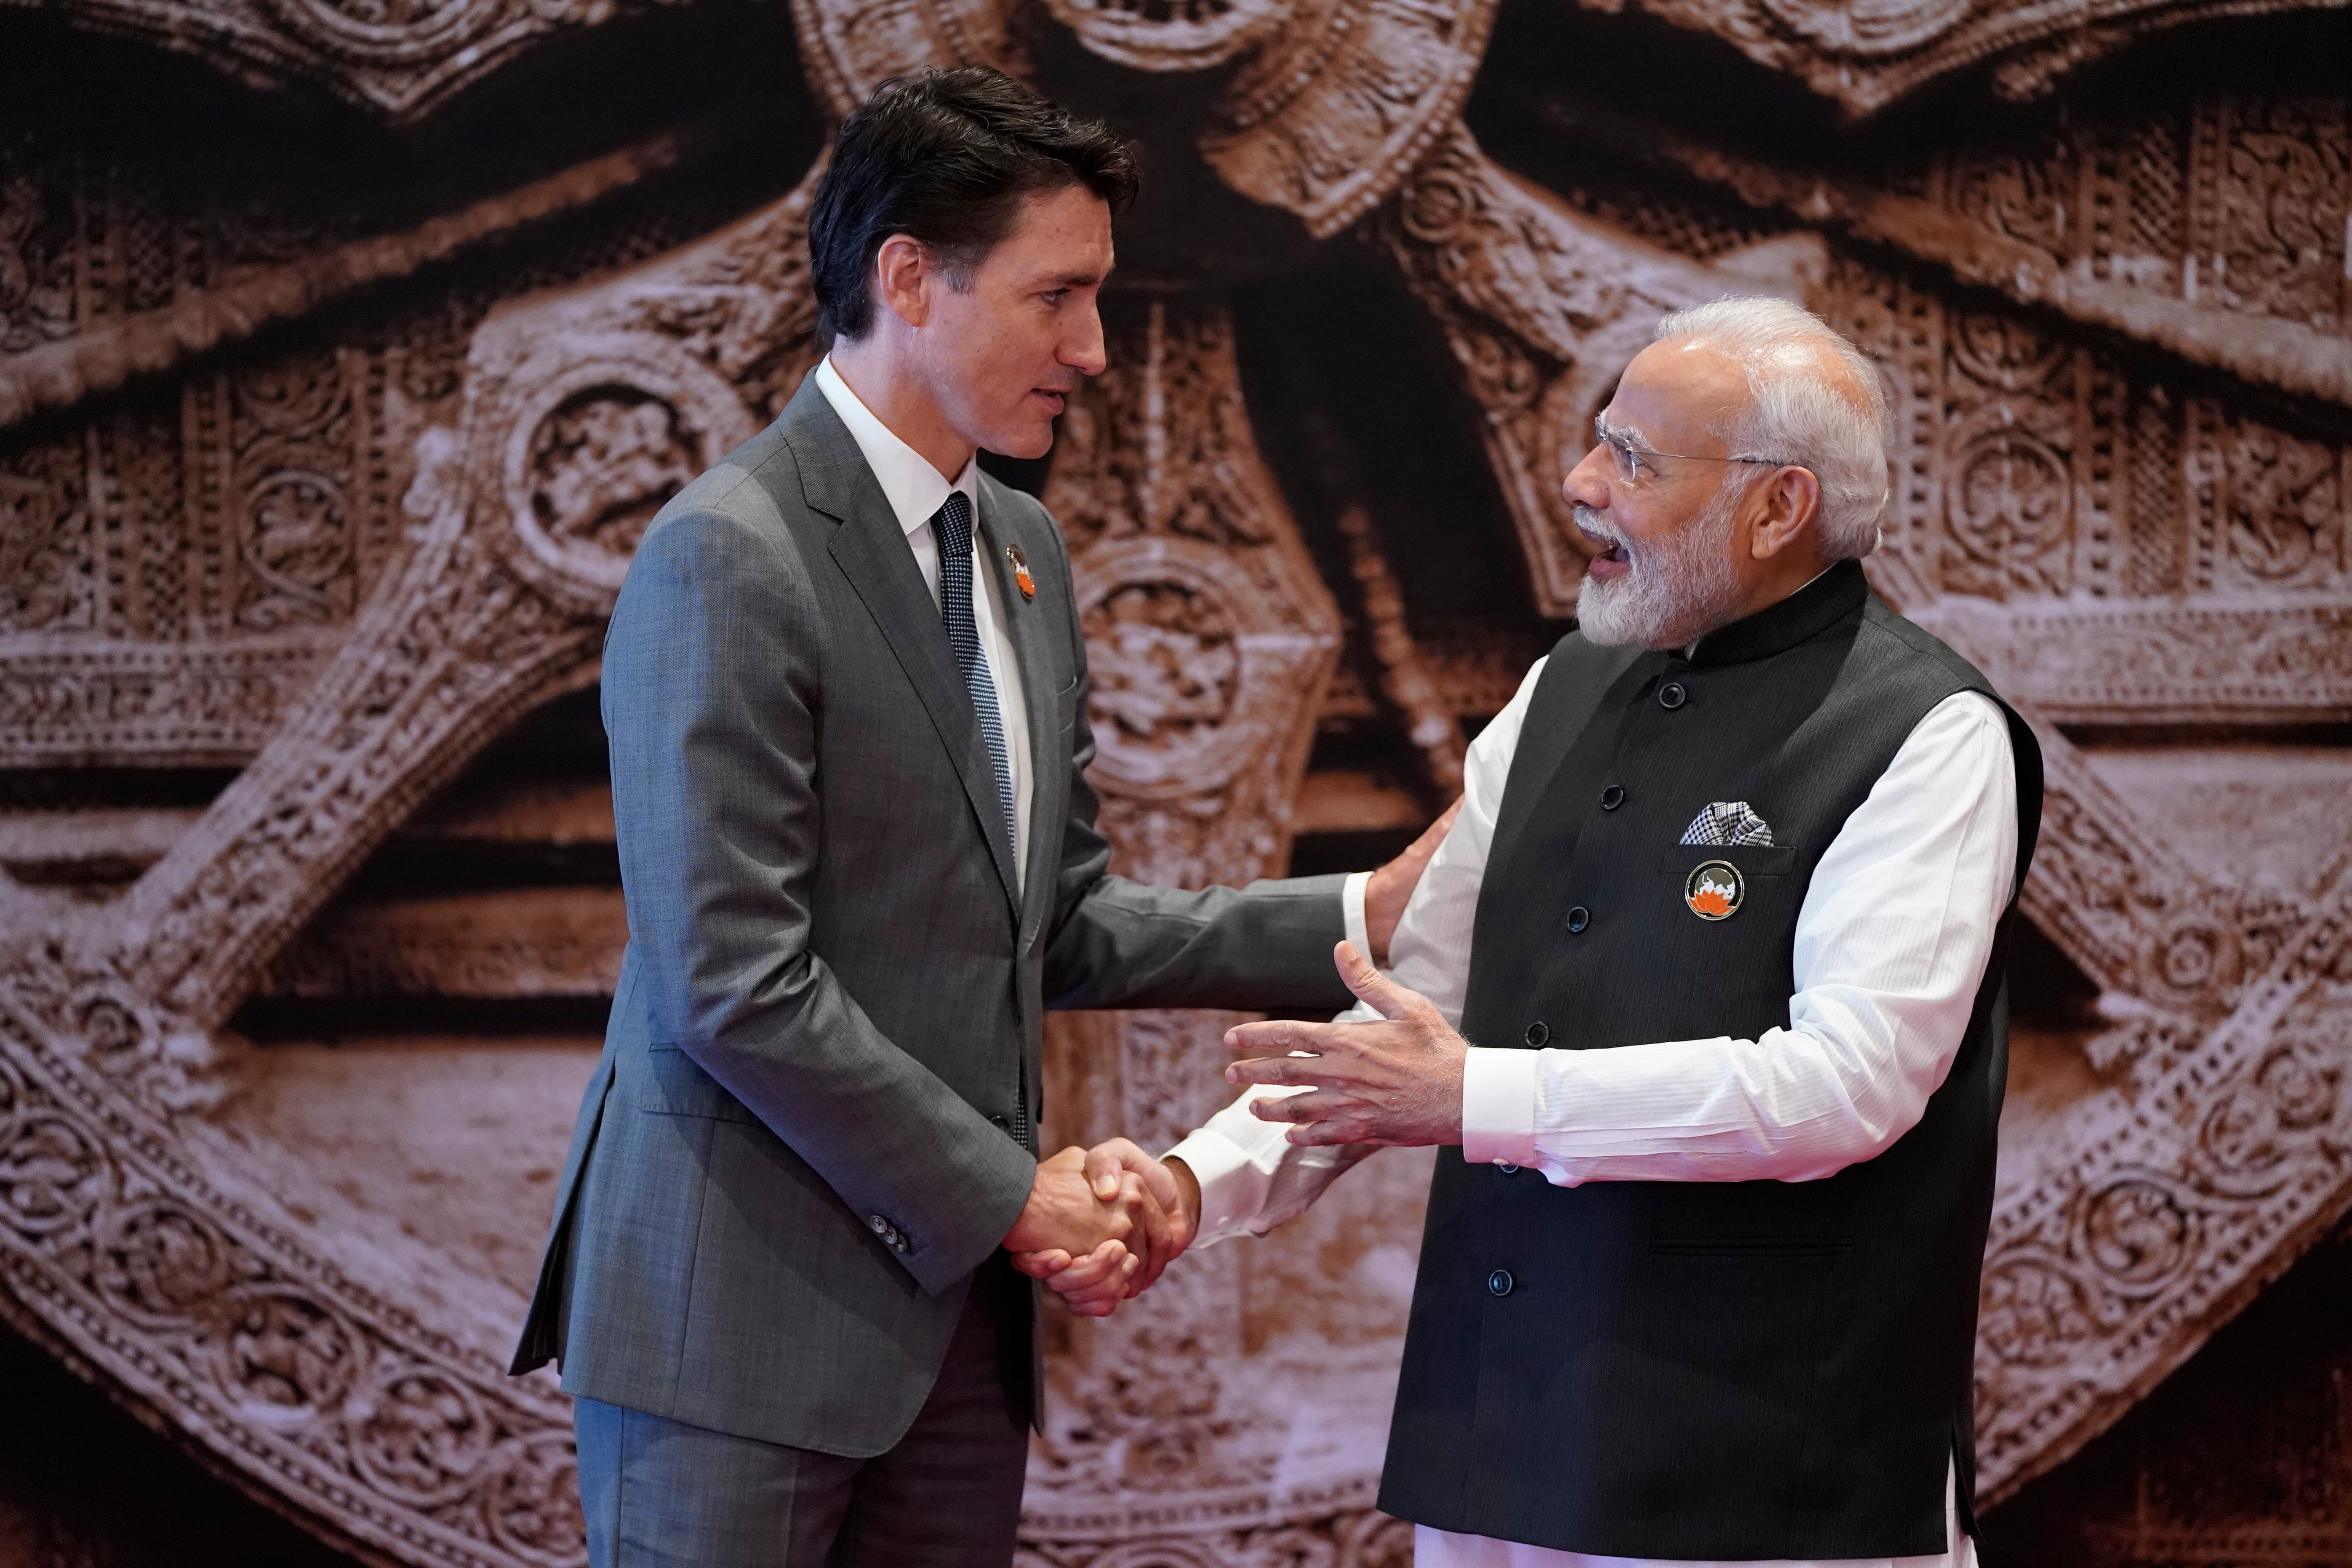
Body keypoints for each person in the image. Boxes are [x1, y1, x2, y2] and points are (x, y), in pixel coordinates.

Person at [507, 66, 1435, 1568]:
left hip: (951, 1337)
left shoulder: (1017, 547)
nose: (1096, 349)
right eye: (1058, 299)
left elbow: (1054, 916)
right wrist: (1017, 1196)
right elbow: (731, 978)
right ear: (906, 281)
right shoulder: (728, 554)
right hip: (735, 1333)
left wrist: (1357, 914)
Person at [1039, 298, 2044, 1568]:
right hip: (1502, 1452)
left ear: (1780, 509)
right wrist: (1195, 1188)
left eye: (1634, 460)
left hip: (1768, 1482)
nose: (1580, 486)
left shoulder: (1928, 733)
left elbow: (1846, 1088)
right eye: (1597, 443)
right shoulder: (1559, 688)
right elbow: (1411, 1024)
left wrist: (1476, 1097)